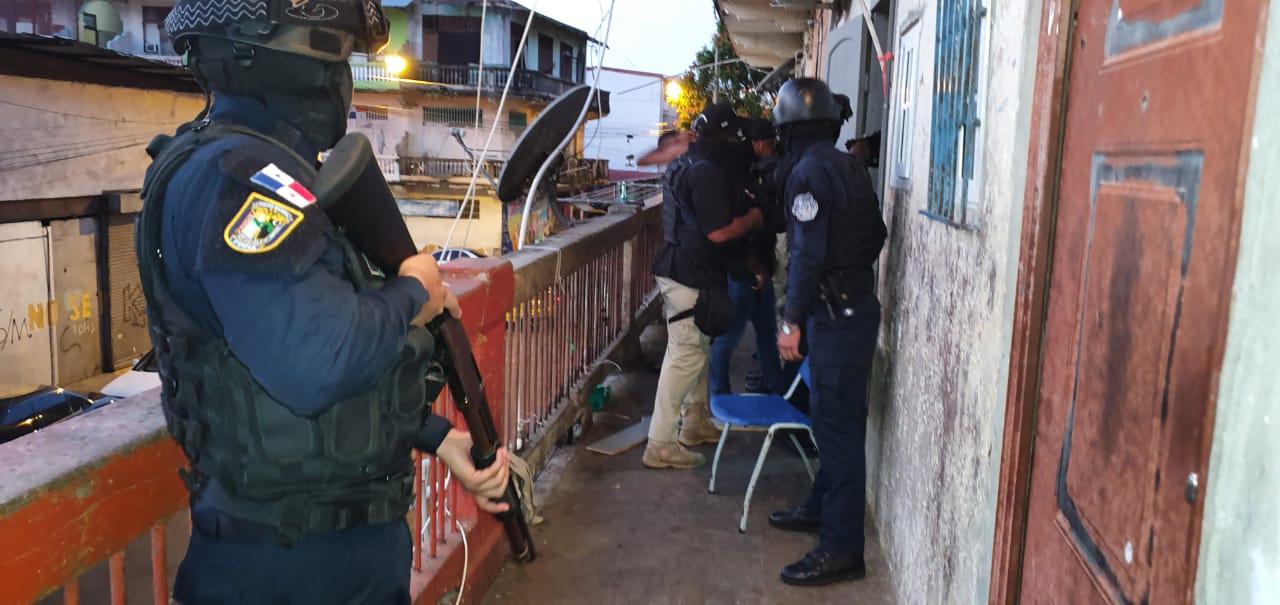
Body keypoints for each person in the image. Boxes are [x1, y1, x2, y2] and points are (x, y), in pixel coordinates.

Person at [136, 1, 510, 602]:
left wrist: (437, 436)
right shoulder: (243, 182)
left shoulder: (256, 171)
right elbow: (315, 360)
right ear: (265, 50)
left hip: (318, 549)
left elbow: (281, 352)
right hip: (289, 564)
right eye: (333, 51)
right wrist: (416, 290)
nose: (343, 79)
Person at [768, 78, 888, 586]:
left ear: (789, 128)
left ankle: (841, 549)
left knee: (837, 432)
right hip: (853, 310)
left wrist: (791, 320)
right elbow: (877, 233)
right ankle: (822, 507)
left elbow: (806, 256)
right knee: (833, 422)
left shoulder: (807, 173)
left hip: (834, 318)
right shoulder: (849, 165)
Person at [644, 103, 763, 469]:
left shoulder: (684, 163)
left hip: (685, 269)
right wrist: (752, 219)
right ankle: (660, 443)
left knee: (698, 347)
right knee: (685, 354)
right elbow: (718, 232)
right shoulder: (706, 171)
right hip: (688, 272)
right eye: (734, 136)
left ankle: (694, 422)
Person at [709, 118, 784, 396]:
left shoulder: (754, 174)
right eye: (770, 143)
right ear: (757, 143)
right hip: (743, 270)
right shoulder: (737, 178)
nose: (773, 149)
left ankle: (774, 388)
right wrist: (756, 267)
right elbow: (737, 234)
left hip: (757, 266)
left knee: (766, 333)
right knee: (729, 337)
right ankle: (720, 395)